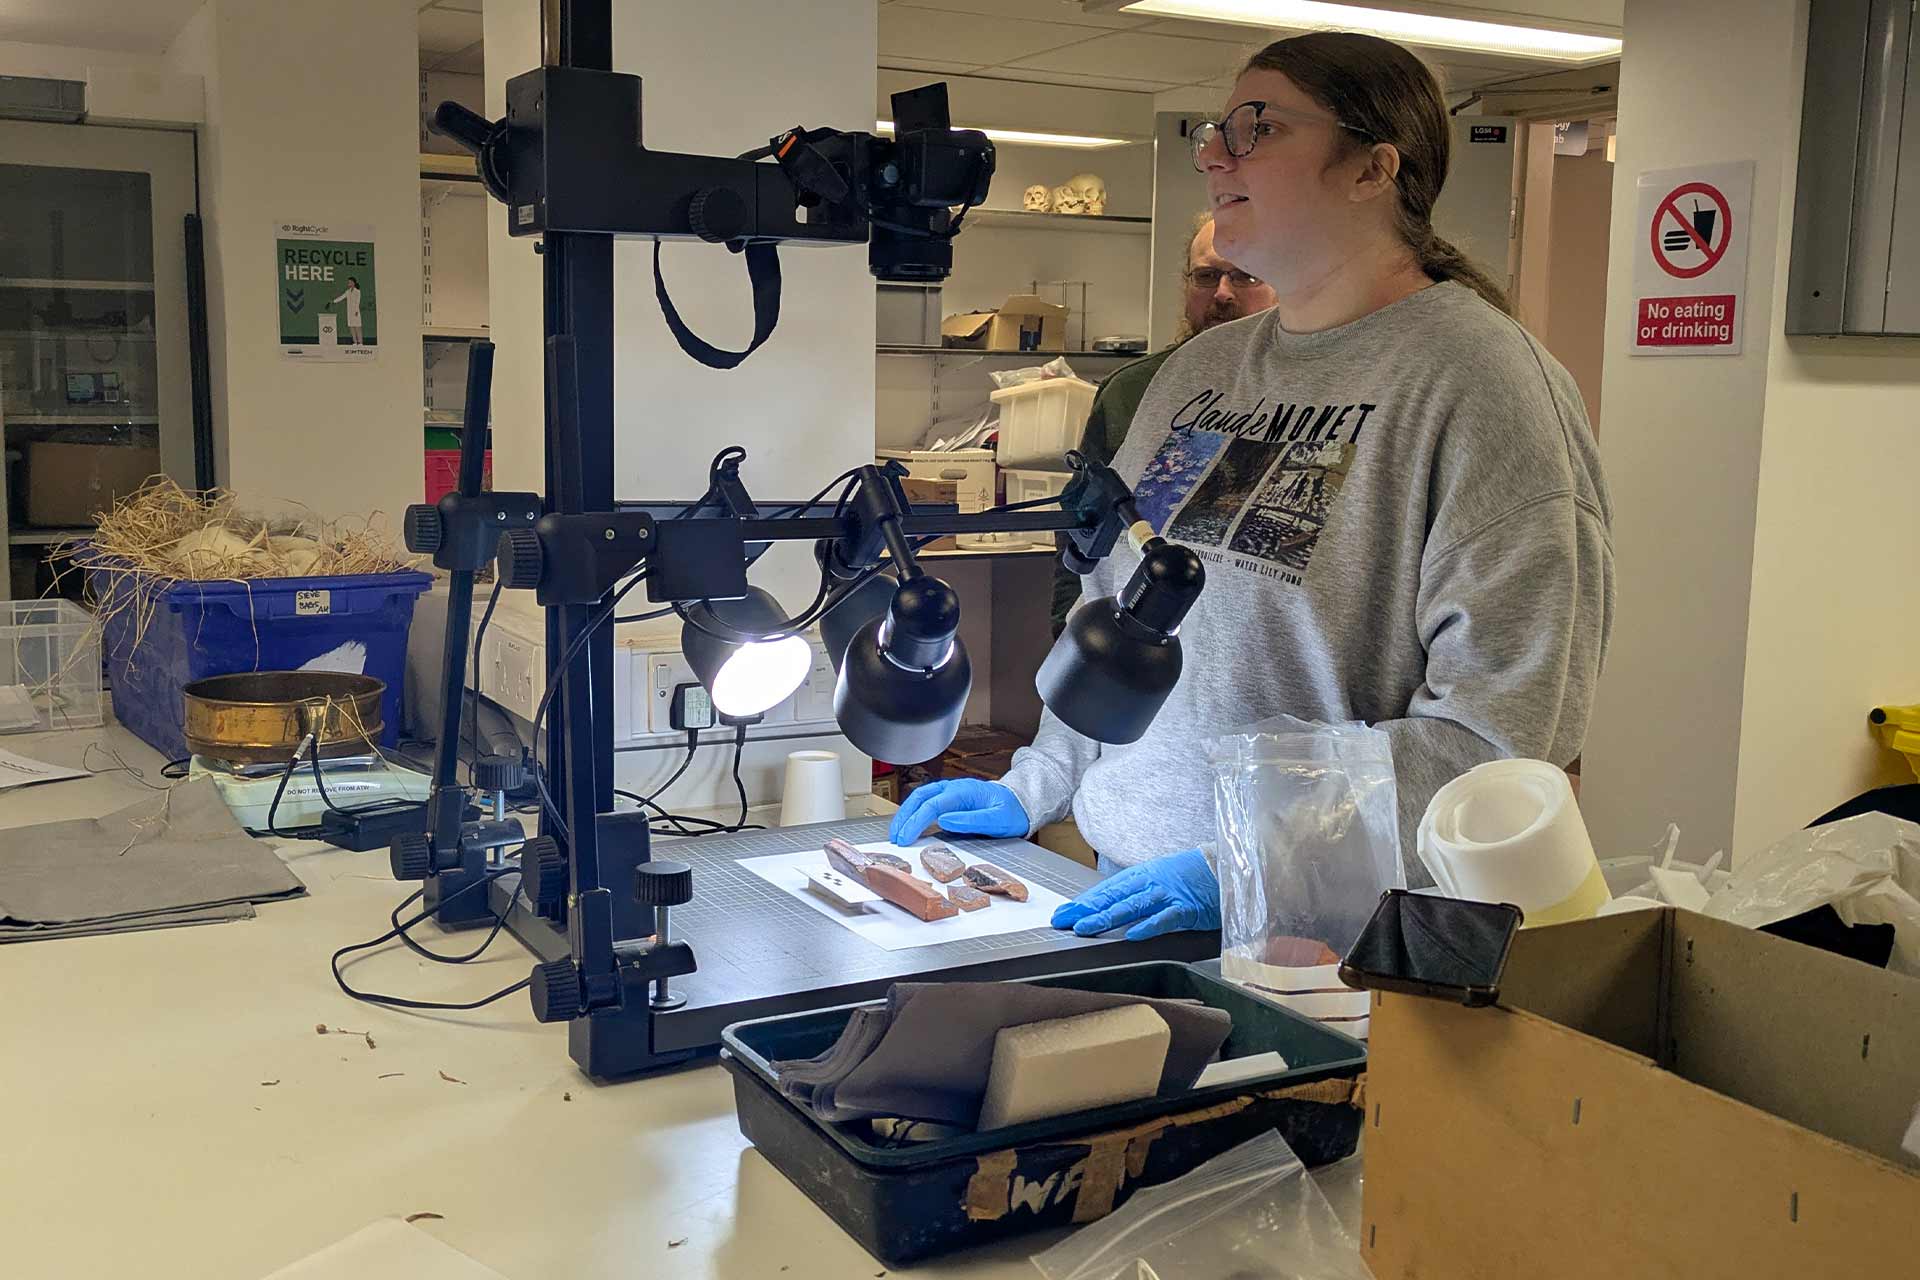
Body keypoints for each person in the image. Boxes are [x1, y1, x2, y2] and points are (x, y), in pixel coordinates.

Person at [891, 31, 1614, 942]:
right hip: (1129, 895)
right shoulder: (1202, 378)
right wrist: (1037, 782)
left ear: (1371, 170)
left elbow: (1494, 740)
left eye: (1255, 127)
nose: (1210, 154)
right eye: (1215, 128)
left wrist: (1253, 865)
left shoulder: (1483, 387)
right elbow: (1116, 622)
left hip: (1337, 936)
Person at [1050, 215, 1277, 634]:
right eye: (1206, 276)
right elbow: (1078, 532)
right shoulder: (1132, 392)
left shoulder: (1315, 397)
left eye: (1246, 275)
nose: (1223, 293)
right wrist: (1069, 639)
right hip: (1128, 661)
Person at [331, 276, 365, 345]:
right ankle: (355, 342)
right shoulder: (347, 291)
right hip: (349, 312)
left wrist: (356, 311)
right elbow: (341, 297)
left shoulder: (357, 291)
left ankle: (360, 342)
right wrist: (333, 301)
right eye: (348, 282)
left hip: (356, 312)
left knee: (357, 327)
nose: (348, 283)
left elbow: (357, 301)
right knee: (351, 327)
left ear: (353, 283)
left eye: (349, 282)